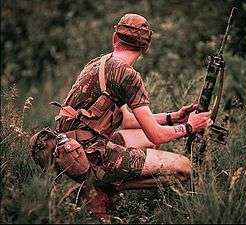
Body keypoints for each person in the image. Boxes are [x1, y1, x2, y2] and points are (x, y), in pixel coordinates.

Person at [31, 13, 212, 223]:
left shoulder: (98, 63)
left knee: (141, 138)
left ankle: (98, 185)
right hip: (88, 155)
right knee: (184, 168)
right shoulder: (128, 75)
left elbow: (125, 120)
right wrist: (190, 127)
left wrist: (174, 117)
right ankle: (99, 186)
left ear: (115, 38)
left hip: (69, 148)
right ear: (146, 47)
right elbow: (157, 136)